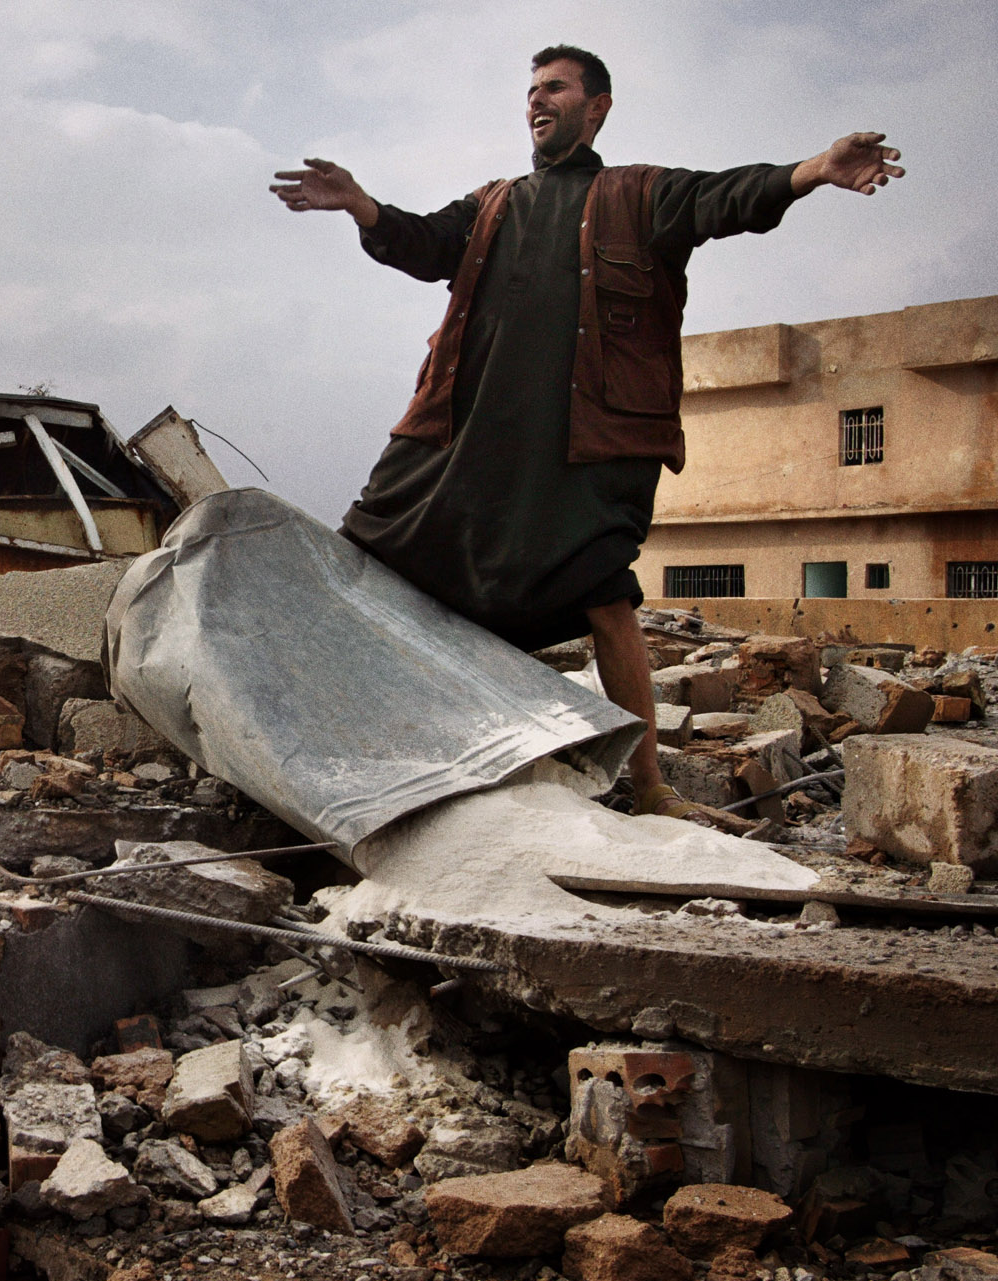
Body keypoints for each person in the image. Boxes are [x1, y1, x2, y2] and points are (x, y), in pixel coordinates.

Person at [271, 45, 902, 823]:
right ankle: (316, 735)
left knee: (605, 592)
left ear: (596, 106)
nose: (538, 101)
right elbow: (427, 243)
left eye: (555, 88)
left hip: (583, 440)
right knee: (364, 555)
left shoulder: (638, 195)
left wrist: (814, 168)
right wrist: (362, 205)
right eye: (531, 90)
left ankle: (652, 791)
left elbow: (727, 197)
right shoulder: (493, 204)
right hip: (463, 433)